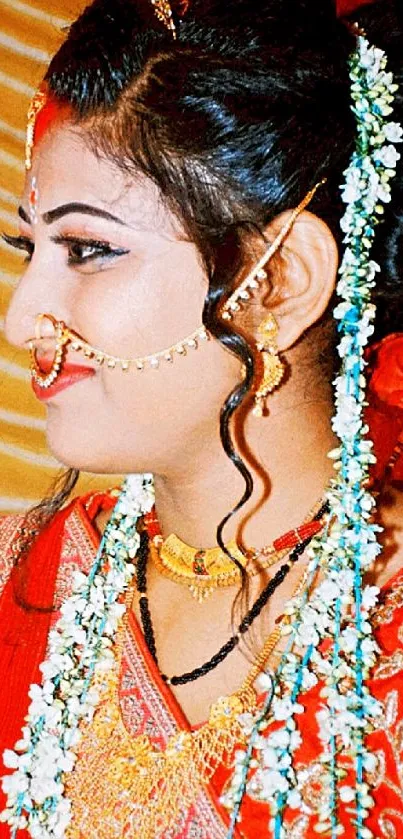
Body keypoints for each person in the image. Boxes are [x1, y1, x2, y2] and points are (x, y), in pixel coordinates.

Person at [0, 0, 403, 836]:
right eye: (26, 249)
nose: (22, 319)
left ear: (279, 281)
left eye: (88, 249)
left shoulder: (385, 625)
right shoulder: (19, 577)